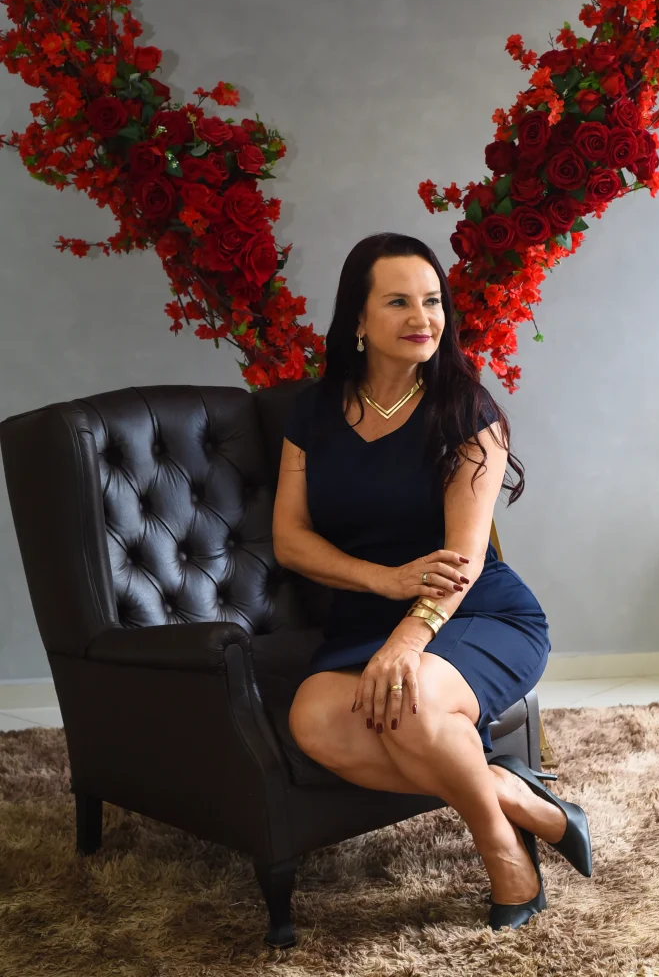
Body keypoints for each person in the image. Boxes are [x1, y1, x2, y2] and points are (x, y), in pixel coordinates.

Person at [272, 231, 591, 931]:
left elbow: (463, 561)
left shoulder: (467, 413)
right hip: (368, 615)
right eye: (398, 302)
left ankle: (503, 852)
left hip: (476, 613)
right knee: (313, 721)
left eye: (433, 300)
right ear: (358, 319)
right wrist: (383, 582)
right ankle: (517, 794)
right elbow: (290, 540)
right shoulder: (314, 412)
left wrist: (407, 640)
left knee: (410, 702)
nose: (423, 317)